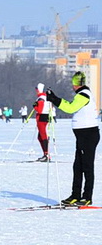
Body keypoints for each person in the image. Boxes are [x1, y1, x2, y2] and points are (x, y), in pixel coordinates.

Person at [47, 71, 100, 206]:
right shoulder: (82, 95)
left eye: (73, 83)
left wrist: (54, 99)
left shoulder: (83, 95)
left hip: (88, 135)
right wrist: (54, 98)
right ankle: (75, 195)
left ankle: (86, 197)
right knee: (78, 166)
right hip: (83, 135)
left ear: (75, 84)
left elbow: (70, 108)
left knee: (87, 166)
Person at [33, 83, 53, 162]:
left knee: (43, 136)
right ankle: (45, 154)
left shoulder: (40, 98)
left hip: (41, 118)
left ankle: (46, 154)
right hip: (46, 116)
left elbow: (39, 110)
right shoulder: (46, 97)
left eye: (36, 90)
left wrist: (35, 106)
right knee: (40, 136)